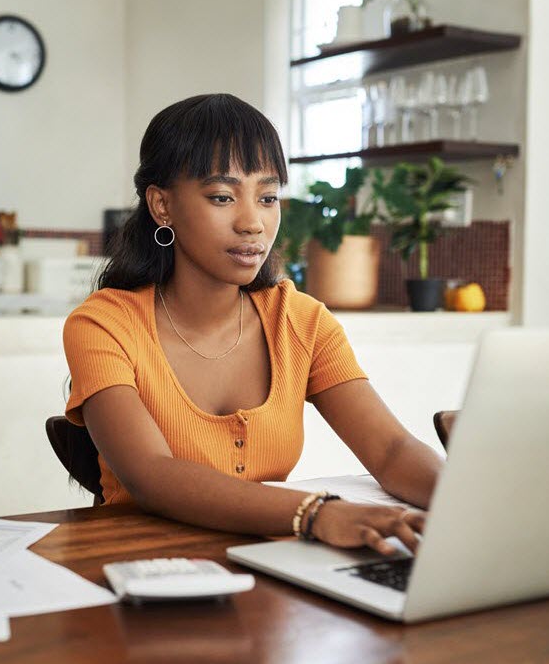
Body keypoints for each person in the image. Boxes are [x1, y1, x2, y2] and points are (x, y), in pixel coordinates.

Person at [63, 94, 443, 555]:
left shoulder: (300, 322)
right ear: (162, 206)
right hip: (141, 575)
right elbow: (151, 474)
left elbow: (391, 451)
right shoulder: (104, 324)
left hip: (272, 571)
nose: (253, 223)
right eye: (222, 197)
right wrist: (315, 513)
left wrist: (468, 504)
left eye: (268, 197)